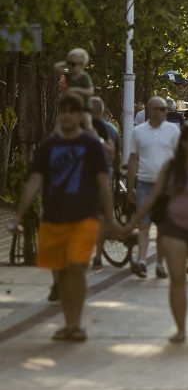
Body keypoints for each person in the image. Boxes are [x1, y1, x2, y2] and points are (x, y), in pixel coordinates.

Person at [7, 92, 117, 342]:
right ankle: (69, 324)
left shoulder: (92, 146)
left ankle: (76, 325)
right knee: (61, 274)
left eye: (72, 111)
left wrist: (110, 220)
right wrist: (18, 217)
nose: (67, 115)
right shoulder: (49, 146)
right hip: (53, 219)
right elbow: (35, 182)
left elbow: (103, 184)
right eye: (63, 111)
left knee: (76, 268)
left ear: (80, 116)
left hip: (84, 217)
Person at [127, 122, 188, 343]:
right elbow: (152, 197)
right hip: (174, 228)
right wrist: (132, 222)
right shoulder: (171, 167)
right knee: (177, 278)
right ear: (184, 143)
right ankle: (180, 328)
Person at [127, 96, 180, 279]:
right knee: (144, 224)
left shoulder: (173, 130)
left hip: (166, 187)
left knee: (163, 227)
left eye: (166, 109)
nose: (165, 112)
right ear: (150, 111)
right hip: (144, 183)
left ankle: (159, 263)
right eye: (161, 109)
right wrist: (130, 186)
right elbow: (133, 159)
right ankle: (142, 261)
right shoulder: (138, 131)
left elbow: (178, 158)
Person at [89, 97, 120, 270]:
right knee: (101, 217)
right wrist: (117, 170)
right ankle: (98, 256)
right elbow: (117, 155)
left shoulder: (82, 128)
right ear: (102, 111)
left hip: (83, 180)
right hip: (105, 177)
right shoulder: (111, 129)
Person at [53, 48, 94, 131]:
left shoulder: (84, 77)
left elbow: (90, 91)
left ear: (82, 65)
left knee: (87, 124)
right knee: (58, 123)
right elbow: (56, 67)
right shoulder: (69, 75)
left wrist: (76, 90)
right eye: (69, 64)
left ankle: (95, 140)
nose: (70, 66)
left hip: (83, 107)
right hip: (70, 107)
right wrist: (68, 62)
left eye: (73, 64)